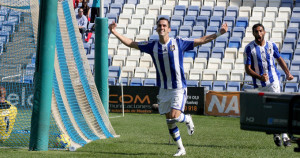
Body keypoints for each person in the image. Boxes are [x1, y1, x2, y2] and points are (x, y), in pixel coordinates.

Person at [109, 17, 228, 156]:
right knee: (169, 121)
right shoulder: (151, 45)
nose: (162, 27)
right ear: (156, 28)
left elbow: (202, 40)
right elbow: (131, 43)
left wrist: (219, 33)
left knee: (175, 116)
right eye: (159, 25)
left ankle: (187, 118)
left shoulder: (179, 42)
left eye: (164, 25)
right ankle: (181, 148)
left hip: (178, 87)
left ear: (169, 29)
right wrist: (114, 32)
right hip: (164, 89)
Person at [244, 23, 294, 147]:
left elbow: (279, 59)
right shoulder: (249, 48)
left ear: (264, 32)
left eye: (260, 31)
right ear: (253, 33)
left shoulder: (271, 45)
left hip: (273, 81)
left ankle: (285, 136)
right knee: (269, 111)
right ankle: (276, 134)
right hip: (259, 85)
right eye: (256, 31)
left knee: (279, 108)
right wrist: (259, 77)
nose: (258, 34)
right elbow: (247, 69)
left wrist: (288, 73)